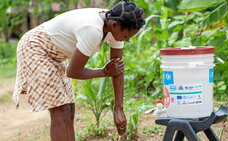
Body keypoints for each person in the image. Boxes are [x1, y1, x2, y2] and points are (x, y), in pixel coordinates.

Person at [12, 0, 145, 140]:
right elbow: (73, 72)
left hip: (57, 54)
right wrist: (104, 72)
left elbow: (117, 69)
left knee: (69, 110)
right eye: (126, 36)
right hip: (36, 47)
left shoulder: (117, 23)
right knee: (61, 112)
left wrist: (118, 109)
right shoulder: (92, 30)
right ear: (114, 25)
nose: (127, 40)